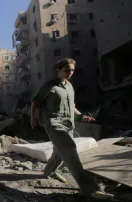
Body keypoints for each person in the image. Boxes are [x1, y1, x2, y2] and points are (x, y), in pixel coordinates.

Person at [30, 58, 113, 200]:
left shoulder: (69, 86)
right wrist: (33, 119)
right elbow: (35, 101)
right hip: (53, 123)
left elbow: (71, 105)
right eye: (67, 70)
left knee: (58, 151)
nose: (70, 73)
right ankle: (89, 189)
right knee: (69, 149)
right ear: (58, 70)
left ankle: (49, 171)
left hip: (68, 123)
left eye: (72, 70)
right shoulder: (49, 85)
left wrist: (81, 116)